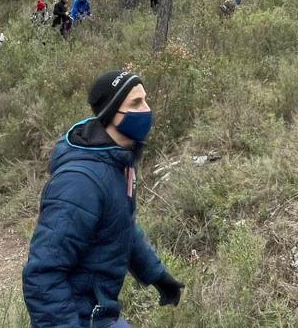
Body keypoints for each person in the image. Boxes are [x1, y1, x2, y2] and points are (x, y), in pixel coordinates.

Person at [22, 70, 184, 328]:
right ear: (111, 113)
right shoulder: (80, 182)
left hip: (100, 313)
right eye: (135, 103)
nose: (146, 110)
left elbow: (122, 226)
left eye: (145, 100)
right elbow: (44, 273)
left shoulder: (118, 161)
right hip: (78, 318)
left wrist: (157, 275)